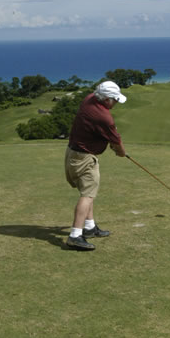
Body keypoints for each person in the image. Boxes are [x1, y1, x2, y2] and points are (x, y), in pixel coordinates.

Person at [65, 80, 127, 250]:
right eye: (114, 100)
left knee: (88, 191)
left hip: (74, 153)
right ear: (106, 99)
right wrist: (121, 152)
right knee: (87, 196)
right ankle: (75, 236)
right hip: (84, 157)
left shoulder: (90, 98)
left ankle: (90, 227)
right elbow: (116, 142)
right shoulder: (104, 117)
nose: (115, 103)